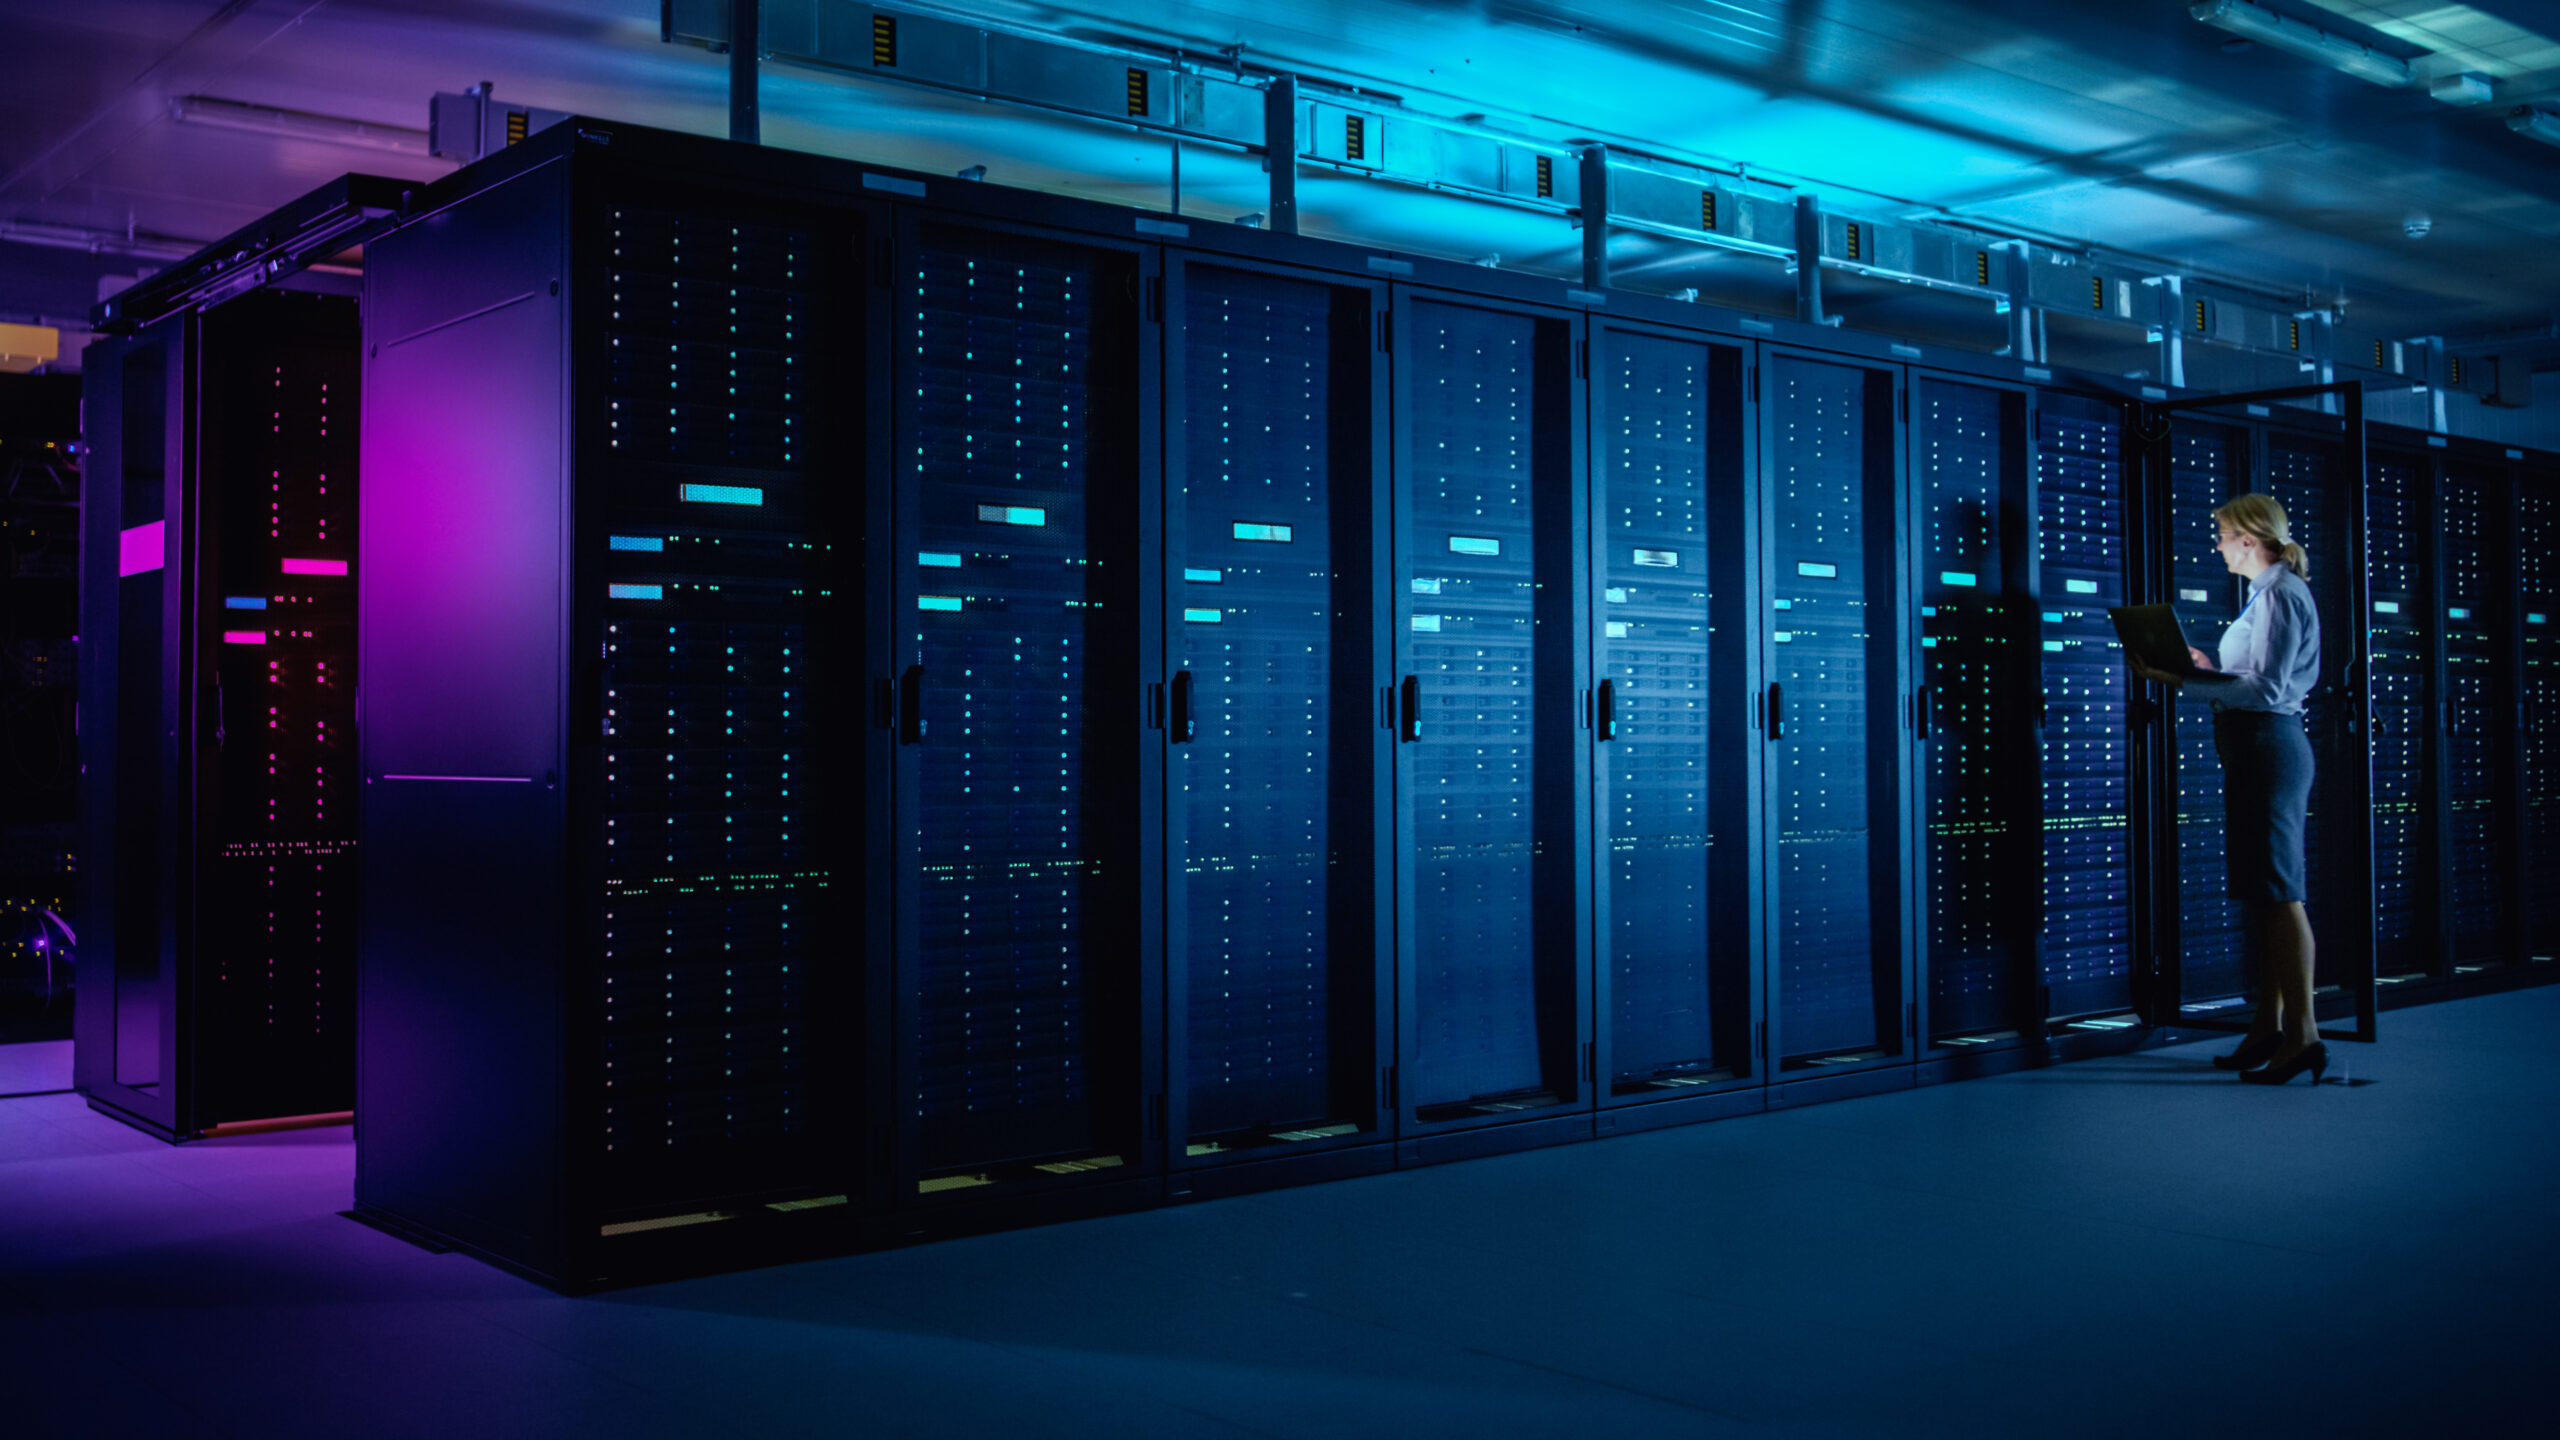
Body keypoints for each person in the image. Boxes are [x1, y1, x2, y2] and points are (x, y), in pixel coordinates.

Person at [2126, 493, 2327, 1086]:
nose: (2215, 544)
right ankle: (2269, 1026)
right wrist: (2206, 666)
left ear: (2247, 538)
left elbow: (2266, 692)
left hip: (2269, 744)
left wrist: (2180, 679)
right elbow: (2254, 678)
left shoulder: (2282, 595)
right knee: (2266, 894)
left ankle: (2305, 1036)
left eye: (2220, 534)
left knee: (2281, 891)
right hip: (2254, 745)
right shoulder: (2265, 596)